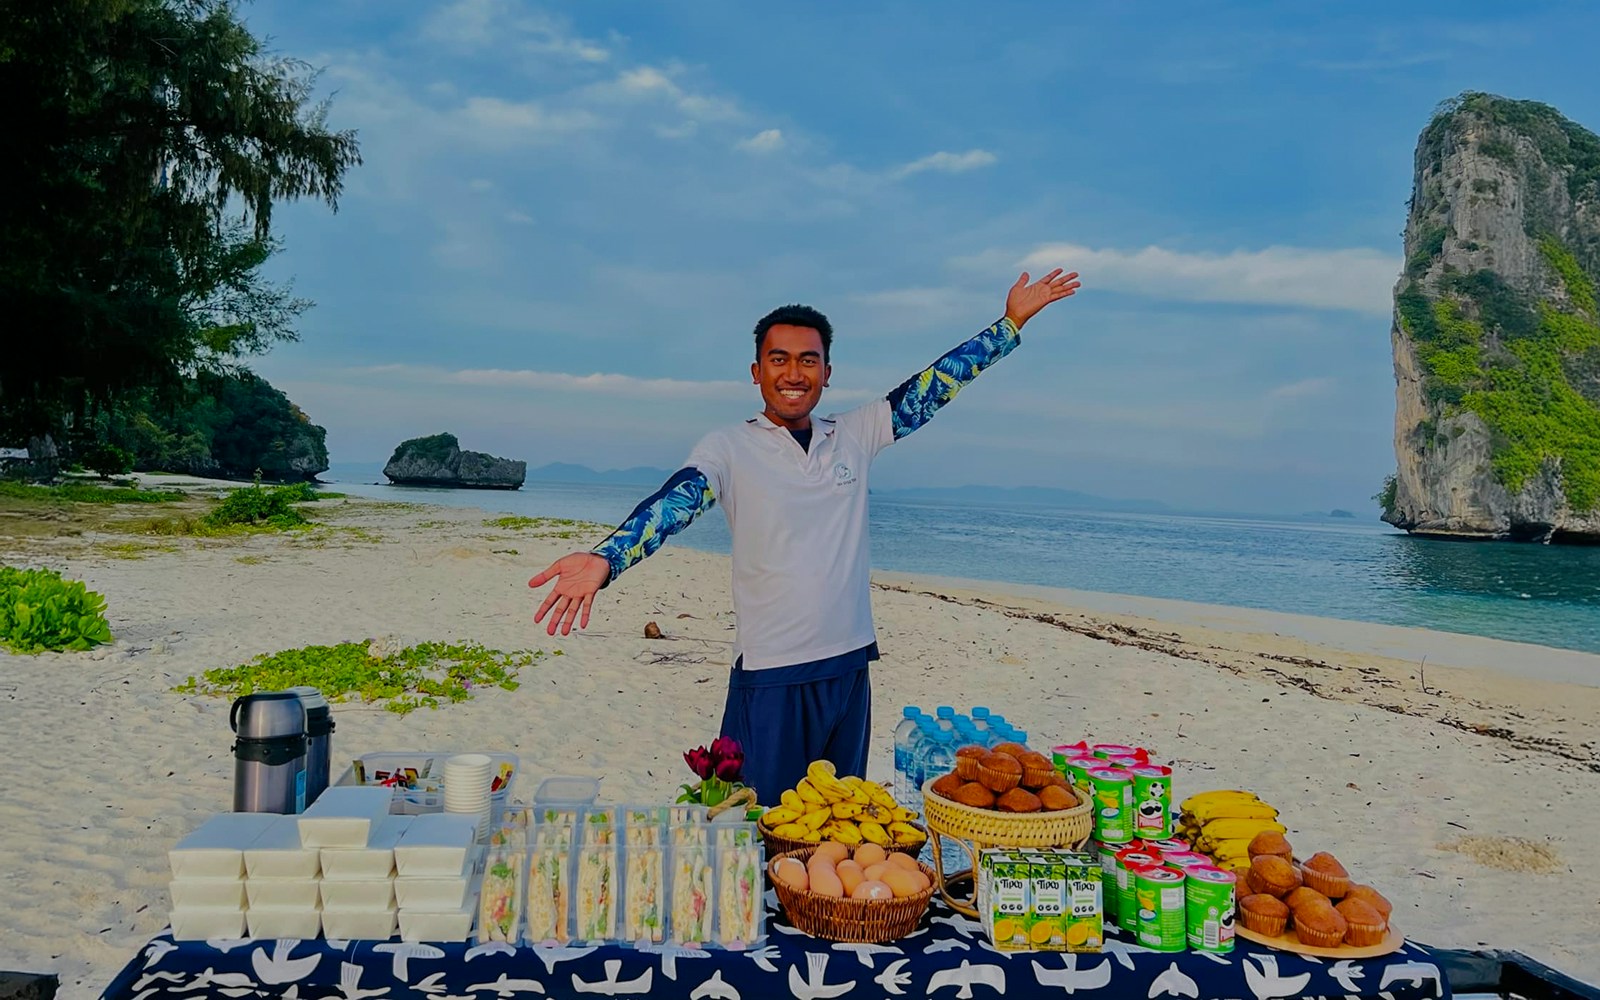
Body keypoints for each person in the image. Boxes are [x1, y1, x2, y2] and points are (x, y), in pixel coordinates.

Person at [529, 268, 1081, 802]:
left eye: (808, 360)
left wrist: (1008, 326)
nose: (794, 373)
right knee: (752, 824)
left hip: (848, 669)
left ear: (826, 371)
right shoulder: (729, 446)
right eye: (779, 360)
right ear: (756, 372)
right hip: (770, 676)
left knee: (834, 829)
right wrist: (608, 558)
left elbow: (932, 388)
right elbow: (678, 500)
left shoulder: (854, 434)